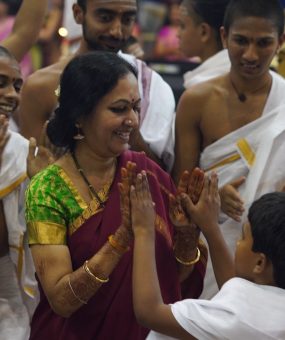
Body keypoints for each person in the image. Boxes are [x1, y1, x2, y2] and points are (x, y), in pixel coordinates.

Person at [25, 51, 207, 340]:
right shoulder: (48, 189)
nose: (132, 121)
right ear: (80, 116)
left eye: (136, 107)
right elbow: (61, 301)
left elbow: (175, 279)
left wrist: (186, 236)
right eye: (119, 109)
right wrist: (121, 239)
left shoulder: (148, 175)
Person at [172, 0, 285, 298]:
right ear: (223, 37)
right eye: (241, 41)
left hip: (273, 258)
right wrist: (212, 197)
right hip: (209, 245)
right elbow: (179, 190)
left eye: (263, 43)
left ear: (281, 41)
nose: (251, 54)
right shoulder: (196, 101)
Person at [19, 0, 176, 170]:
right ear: (79, 13)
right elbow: (32, 168)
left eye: (127, 20)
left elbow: (161, 179)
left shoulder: (150, 83)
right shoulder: (41, 87)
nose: (117, 31)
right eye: (105, 18)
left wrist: (130, 131)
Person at [131, 171, 285, 339]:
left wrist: (143, 230)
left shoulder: (238, 321)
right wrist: (209, 226)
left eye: (242, 238)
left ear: (260, 263)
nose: (237, 244)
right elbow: (235, 289)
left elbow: (150, 312)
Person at [0, 46, 53, 340]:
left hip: (9, 296)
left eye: (17, 85)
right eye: (1, 83)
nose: (12, 95)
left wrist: (44, 184)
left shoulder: (23, 152)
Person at [178, 0, 231, 89]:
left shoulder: (202, 86)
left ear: (204, 32)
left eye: (182, 26)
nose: (178, 34)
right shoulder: (234, 73)